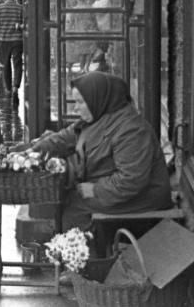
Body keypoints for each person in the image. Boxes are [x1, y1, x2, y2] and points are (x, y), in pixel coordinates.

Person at [26, 72, 172, 235]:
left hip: (143, 197)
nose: (75, 107)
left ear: (97, 98)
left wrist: (94, 190)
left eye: (80, 102)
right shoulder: (98, 117)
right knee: (66, 198)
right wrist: (33, 151)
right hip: (117, 189)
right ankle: (69, 247)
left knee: (74, 206)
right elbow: (64, 138)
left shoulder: (132, 131)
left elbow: (131, 180)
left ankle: (83, 253)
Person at [0, 0, 24, 96]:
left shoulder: (0, 8)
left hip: (4, 39)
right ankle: (16, 85)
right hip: (17, 39)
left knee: (5, 64)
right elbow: (23, 24)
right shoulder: (20, 8)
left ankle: (8, 88)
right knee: (17, 63)